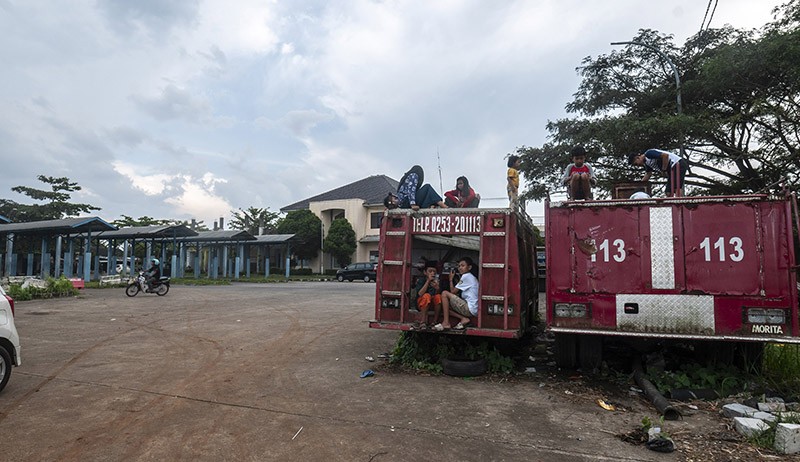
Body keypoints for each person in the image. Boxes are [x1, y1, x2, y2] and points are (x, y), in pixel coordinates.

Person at [433, 257, 479, 331]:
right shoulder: (470, 277)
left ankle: (446, 323)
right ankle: (463, 318)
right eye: (459, 266)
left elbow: (453, 291)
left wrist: (451, 279)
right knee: (445, 305)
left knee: (444, 293)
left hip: (469, 309)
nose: (460, 268)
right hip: (473, 309)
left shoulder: (466, 276)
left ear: (469, 267)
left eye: (463, 266)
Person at [383, 165, 448, 210]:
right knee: (427, 187)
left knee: (425, 193)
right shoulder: (413, 175)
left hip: (406, 203)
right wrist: (413, 204)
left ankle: (432, 205)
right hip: (407, 203)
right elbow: (411, 191)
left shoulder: (404, 183)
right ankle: (442, 205)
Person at [411, 263, 442, 330]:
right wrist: (428, 281)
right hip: (421, 304)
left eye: (434, 272)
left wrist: (437, 288)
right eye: (430, 271)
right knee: (426, 296)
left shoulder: (437, 281)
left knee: (438, 296)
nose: (432, 273)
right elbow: (420, 294)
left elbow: (436, 296)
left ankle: (435, 321)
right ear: (425, 272)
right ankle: (423, 322)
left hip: (431, 304)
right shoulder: (421, 280)